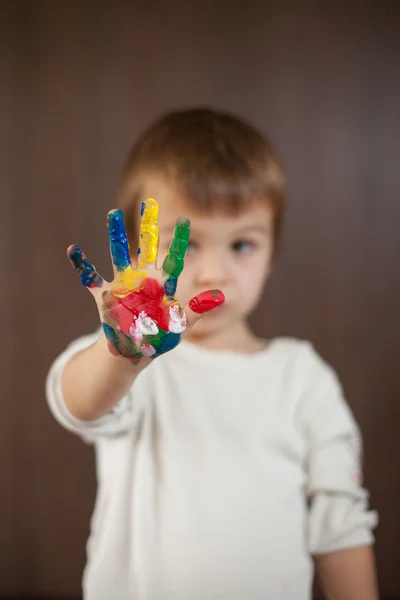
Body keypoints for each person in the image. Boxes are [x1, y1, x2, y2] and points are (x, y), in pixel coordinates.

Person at [46, 107, 379, 600]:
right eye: (186, 245)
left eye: (242, 245)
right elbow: (75, 402)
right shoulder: (137, 368)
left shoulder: (302, 378)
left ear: (272, 255)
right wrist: (121, 354)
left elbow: (341, 524)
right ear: (140, 251)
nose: (213, 273)